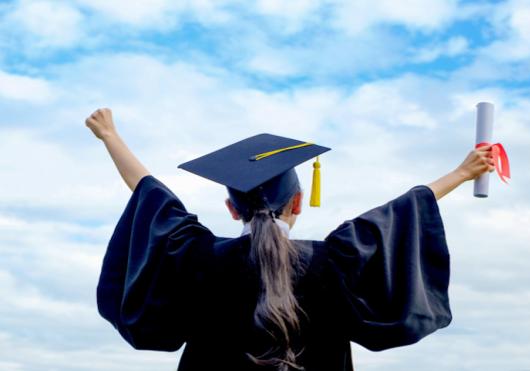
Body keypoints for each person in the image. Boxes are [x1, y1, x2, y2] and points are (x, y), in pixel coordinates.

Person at [86, 108, 495, 371]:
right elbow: (400, 214)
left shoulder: (196, 255)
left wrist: (110, 137)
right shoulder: (337, 259)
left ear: (232, 209)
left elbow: (149, 194)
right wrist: (461, 173)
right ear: (298, 202)